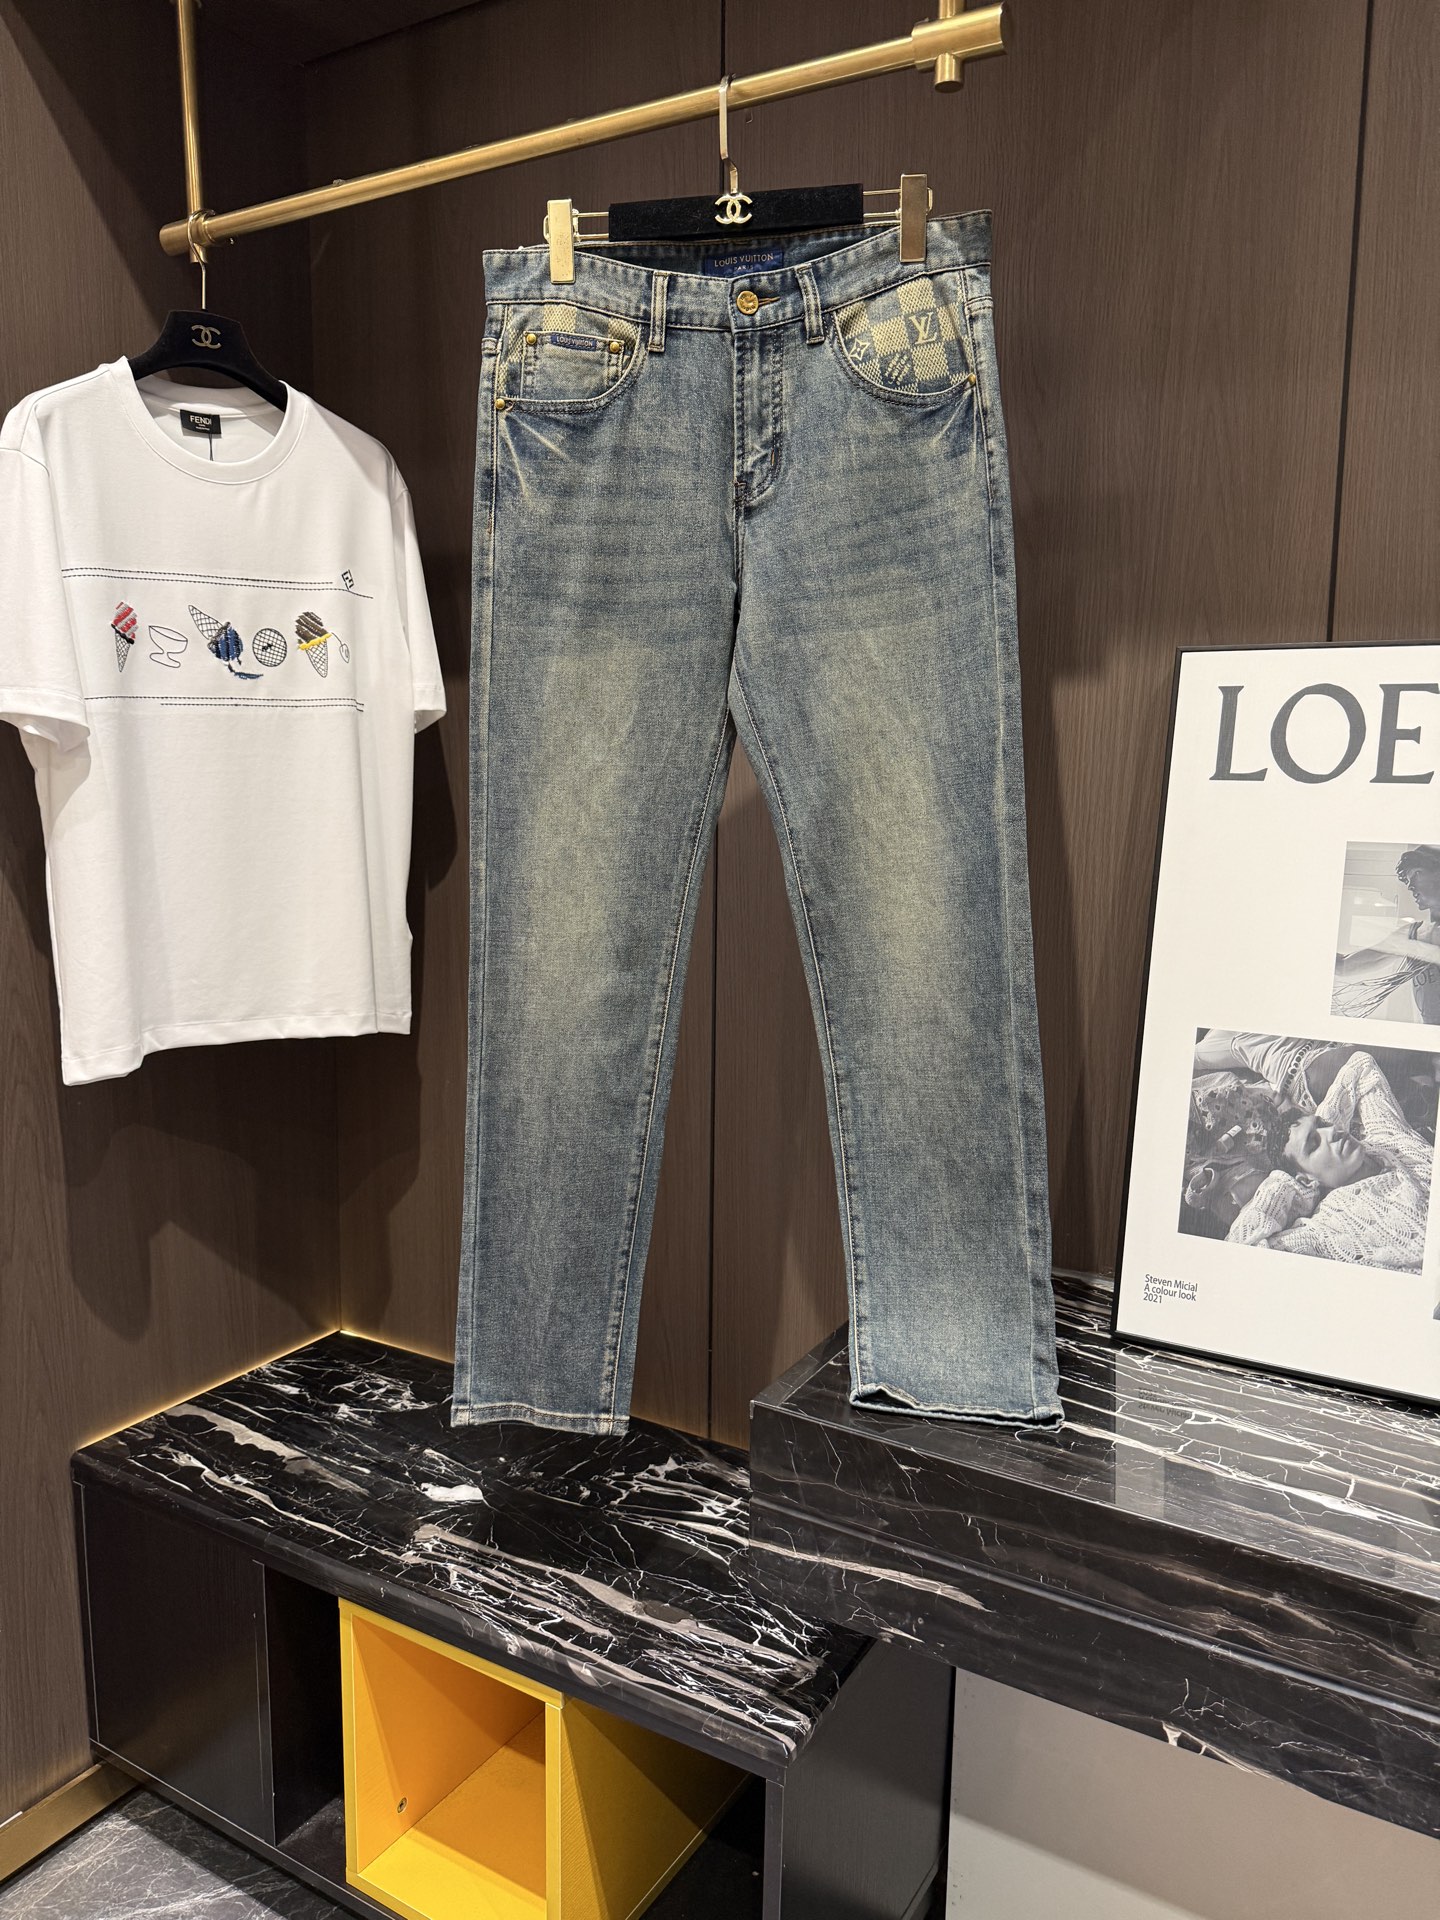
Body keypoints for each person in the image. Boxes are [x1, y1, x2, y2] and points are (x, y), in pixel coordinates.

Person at [1225, 1049, 1432, 1271]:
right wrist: (1288, 1182)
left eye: (1323, 1125)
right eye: (1313, 1144)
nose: (1332, 1132)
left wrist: (1324, 1120)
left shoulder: (1385, 1136)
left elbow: (1361, 1064)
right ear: (1305, 1180)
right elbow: (1240, 1256)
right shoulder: (1324, 1231)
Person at [1332, 846, 1440, 1022]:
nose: (1410, 886)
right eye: (1408, 881)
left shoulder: (1412, 941)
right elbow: (1343, 967)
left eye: (1417, 874)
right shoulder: (1412, 934)